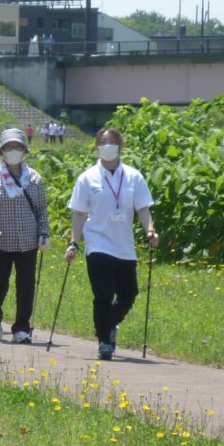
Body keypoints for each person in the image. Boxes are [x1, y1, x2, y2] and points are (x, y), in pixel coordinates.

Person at [65, 127, 159, 360]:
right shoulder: (87, 178)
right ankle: (104, 342)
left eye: (112, 142)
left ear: (120, 146)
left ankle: (107, 325)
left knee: (129, 293)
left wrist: (150, 230)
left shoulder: (133, 176)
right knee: (103, 294)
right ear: (97, 146)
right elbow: (78, 213)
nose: (107, 146)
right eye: (103, 142)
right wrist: (74, 242)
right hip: (98, 243)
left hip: (124, 246)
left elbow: (143, 208)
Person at [0, 129, 49, 344]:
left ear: (24, 150)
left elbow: (41, 210)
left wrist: (44, 234)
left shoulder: (35, 178)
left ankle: (22, 326)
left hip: (27, 242)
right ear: (2, 150)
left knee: (26, 285)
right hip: (1, 242)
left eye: (17, 147)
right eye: (9, 147)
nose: (13, 151)